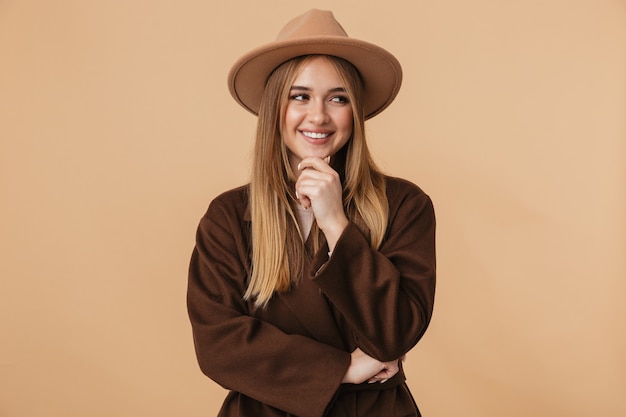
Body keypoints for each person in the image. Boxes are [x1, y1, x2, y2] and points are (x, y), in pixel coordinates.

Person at [187, 9, 436, 417]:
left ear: (354, 111)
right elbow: (217, 344)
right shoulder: (228, 216)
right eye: (299, 96)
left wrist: (336, 222)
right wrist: (345, 368)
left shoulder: (405, 205)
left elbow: (396, 330)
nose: (318, 116)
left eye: (337, 98)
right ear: (275, 109)